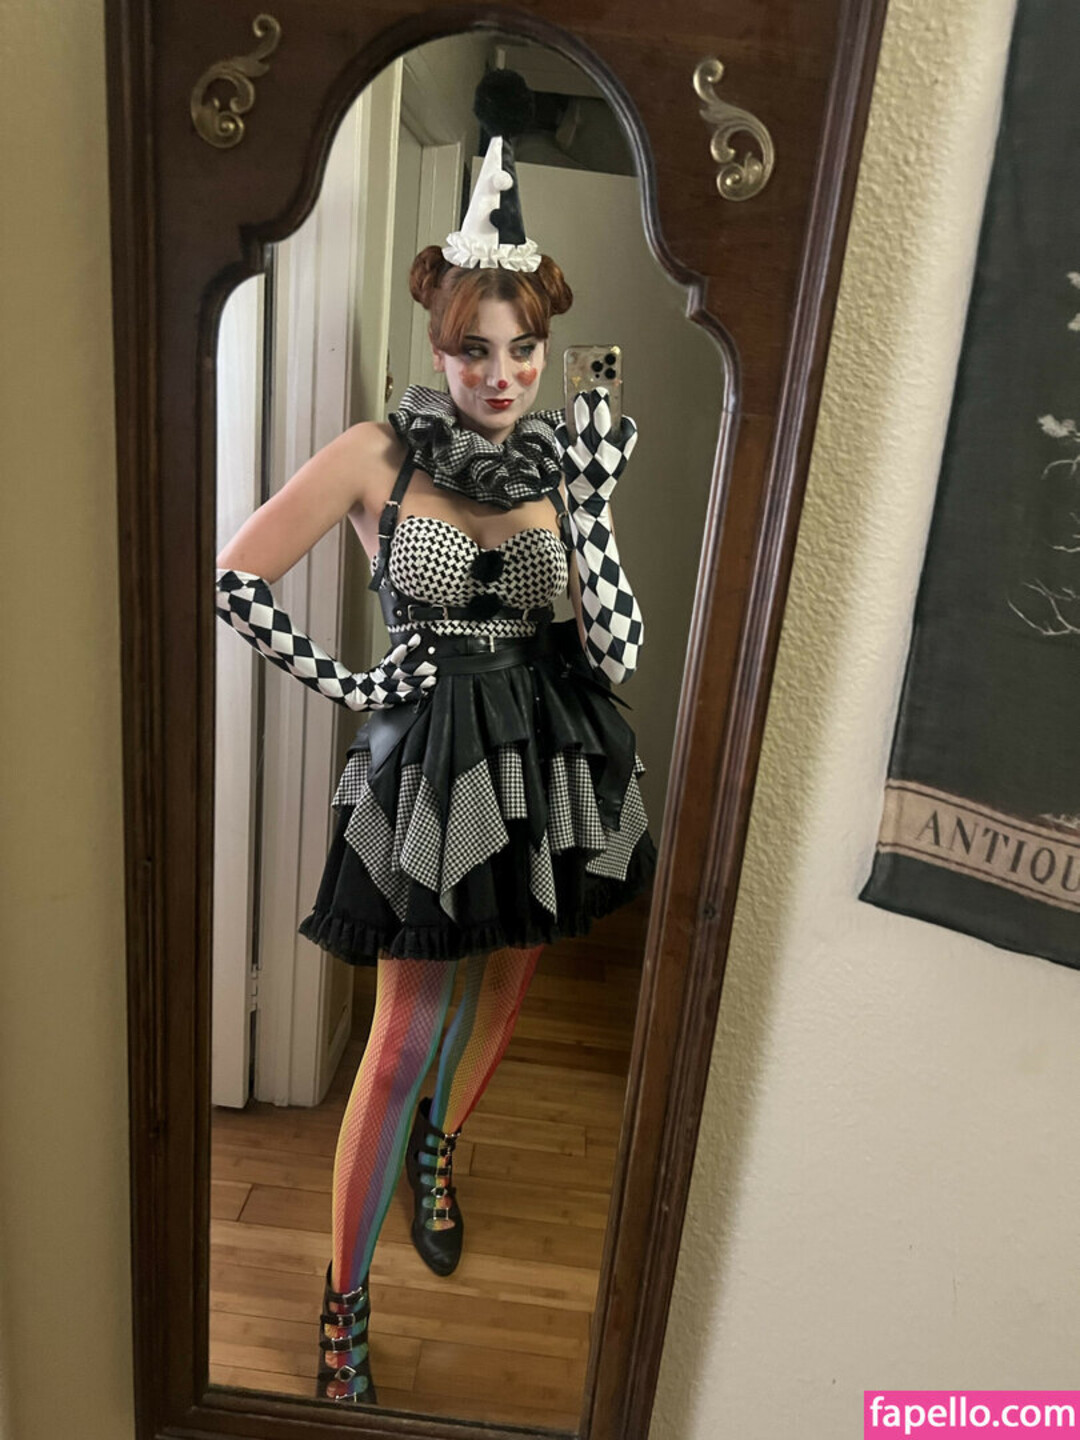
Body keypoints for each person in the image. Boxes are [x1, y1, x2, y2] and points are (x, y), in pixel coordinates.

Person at [214, 68, 657, 1405]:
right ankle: (343, 1303)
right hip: (429, 758)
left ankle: (441, 1150)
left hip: (546, 742)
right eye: (476, 351)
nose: (503, 375)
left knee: (510, 973)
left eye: (523, 350)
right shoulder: (375, 455)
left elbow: (617, 648)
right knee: (405, 1025)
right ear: (438, 342)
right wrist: (348, 676)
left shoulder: (563, 462)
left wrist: (590, 504)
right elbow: (236, 575)